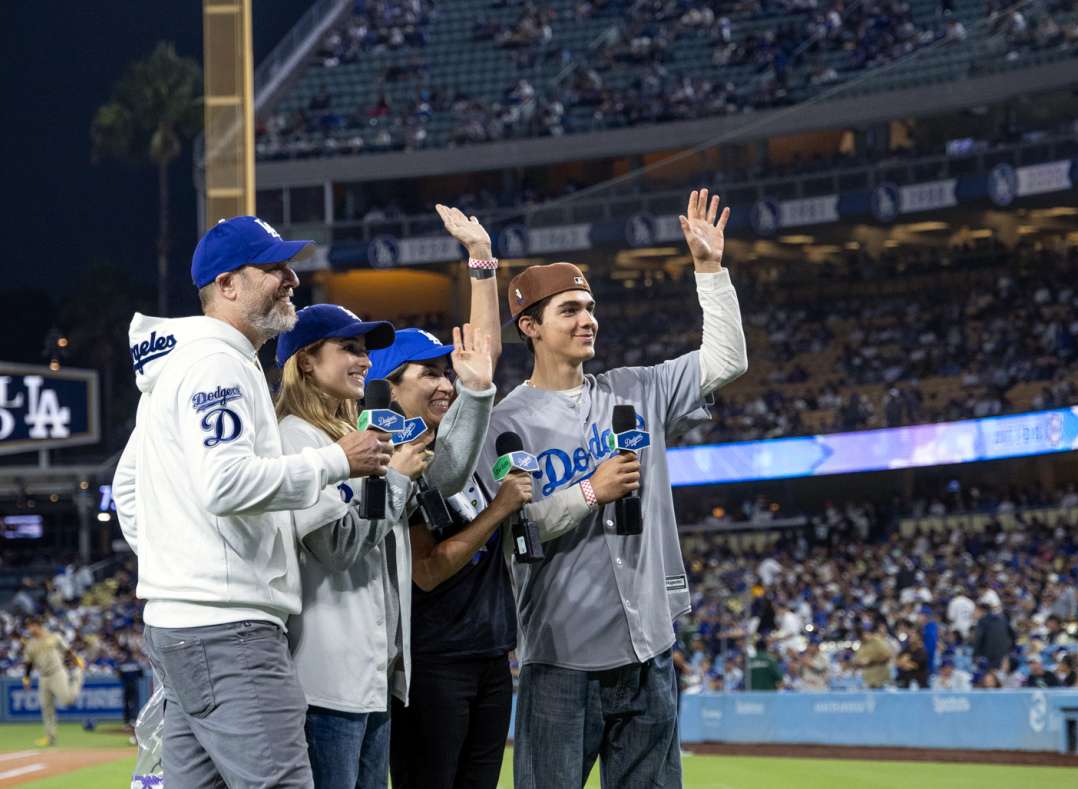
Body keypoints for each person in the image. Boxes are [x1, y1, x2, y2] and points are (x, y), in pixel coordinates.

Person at [113, 216, 395, 788]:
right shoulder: (218, 361)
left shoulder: (181, 365)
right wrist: (337, 461)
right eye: (272, 268)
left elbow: (127, 486)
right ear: (227, 285)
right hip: (229, 633)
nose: (291, 278)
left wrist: (179, 565)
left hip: (184, 628)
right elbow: (226, 483)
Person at [479, 188, 747, 789]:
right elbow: (518, 526)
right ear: (531, 326)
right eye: (569, 310)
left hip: (649, 648)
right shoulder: (504, 422)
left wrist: (709, 269)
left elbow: (726, 361)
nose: (587, 319)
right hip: (561, 656)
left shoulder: (637, 390)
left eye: (590, 306)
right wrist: (592, 492)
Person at [274, 304, 455, 789]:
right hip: (325, 679)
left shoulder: (356, 439)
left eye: (365, 351)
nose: (365, 361)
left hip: (371, 677)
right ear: (307, 361)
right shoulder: (295, 439)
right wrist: (394, 483)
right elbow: (335, 547)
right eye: (349, 348)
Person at [383, 206, 524, 789]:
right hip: (432, 661)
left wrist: (482, 262)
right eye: (429, 373)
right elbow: (427, 572)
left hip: (491, 654)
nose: (446, 382)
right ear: (389, 384)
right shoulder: (393, 458)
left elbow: (481, 363)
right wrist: (500, 510)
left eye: (448, 371)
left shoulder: (458, 439)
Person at [22, 617, 85, 747]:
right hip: (43, 677)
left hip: (57, 672)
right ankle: (50, 738)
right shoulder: (30, 644)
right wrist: (26, 678)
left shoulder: (54, 637)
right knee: (46, 708)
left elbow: (67, 651)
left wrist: (76, 662)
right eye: (28, 626)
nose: (29, 629)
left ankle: (77, 676)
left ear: (37, 625)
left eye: (30, 626)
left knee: (67, 700)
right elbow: (28, 663)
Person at [853, 621, 894, 689]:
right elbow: (857, 660)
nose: (861, 635)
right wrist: (859, 662)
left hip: (880, 678)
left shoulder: (876, 641)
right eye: (859, 634)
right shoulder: (861, 644)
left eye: (862, 632)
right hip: (868, 679)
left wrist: (871, 660)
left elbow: (887, 655)